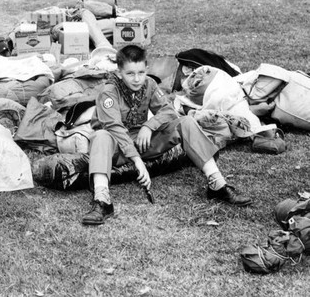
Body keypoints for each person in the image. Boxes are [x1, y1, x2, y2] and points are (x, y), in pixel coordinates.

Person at [82, 45, 251, 226]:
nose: (137, 79)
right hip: (116, 148)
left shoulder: (149, 84)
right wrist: (138, 161)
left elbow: (168, 111)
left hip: (142, 141)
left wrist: (149, 126)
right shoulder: (109, 91)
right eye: (130, 74)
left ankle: (217, 184)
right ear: (119, 72)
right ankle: (102, 200)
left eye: (141, 72)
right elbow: (114, 128)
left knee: (186, 122)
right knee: (101, 135)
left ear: (146, 69)